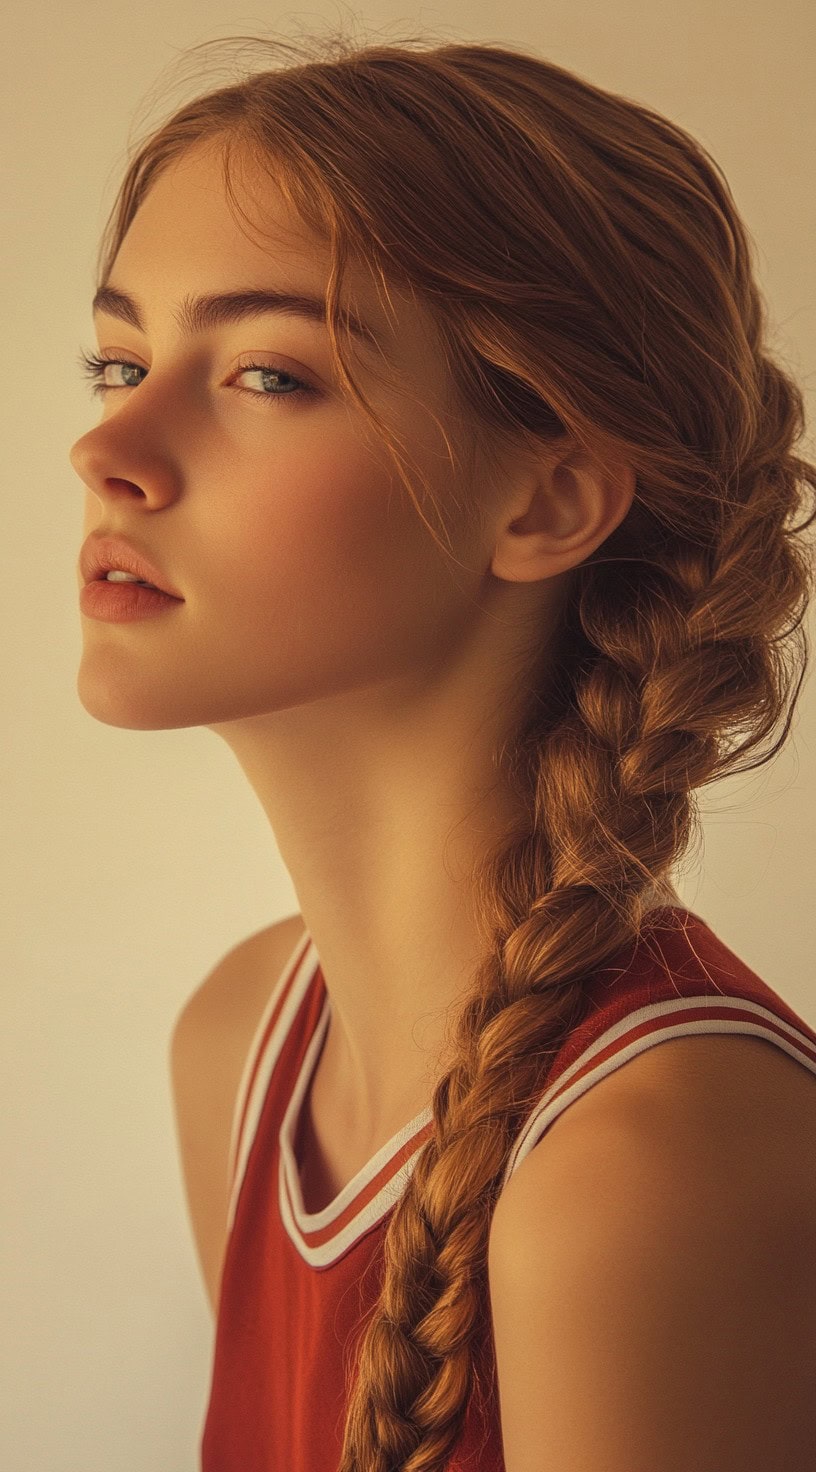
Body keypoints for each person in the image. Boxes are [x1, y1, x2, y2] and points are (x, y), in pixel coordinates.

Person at [69, 27, 816, 1472]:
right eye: (119, 358)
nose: (108, 449)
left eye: (269, 376)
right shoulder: (241, 1049)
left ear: (546, 503)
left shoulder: (653, 1173)